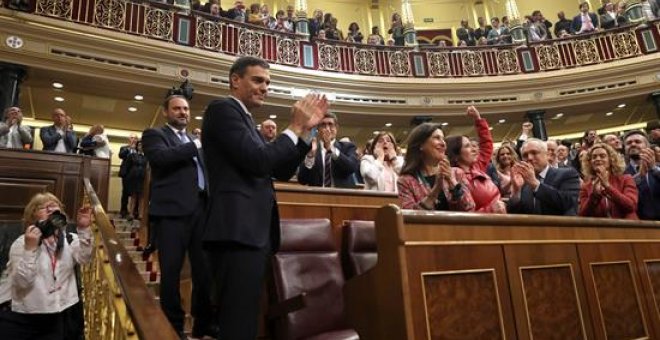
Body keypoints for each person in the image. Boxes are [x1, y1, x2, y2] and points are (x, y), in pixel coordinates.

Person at [201, 56, 328, 339]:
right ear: (235, 80)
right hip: (236, 231)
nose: (265, 87)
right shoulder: (222, 109)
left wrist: (305, 133)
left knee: (247, 319)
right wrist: (293, 127)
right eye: (258, 80)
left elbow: (279, 169)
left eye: (268, 82)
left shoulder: (248, 121)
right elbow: (258, 160)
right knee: (237, 322)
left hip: (251, 233)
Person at [141, 95, 214, 339]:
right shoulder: (155, 135)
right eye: (177, 109)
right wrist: (196, 145)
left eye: (185, 109)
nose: (183, 112)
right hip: (171, 214)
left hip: (201, 211)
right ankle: (174, 326)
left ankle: (203, 324)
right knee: (171, 274)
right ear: (165, 112)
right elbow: (161, 159)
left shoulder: (195, 140)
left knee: (204, 273)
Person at [0, 193, 92, 340]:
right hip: (22, 317)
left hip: (55, 318)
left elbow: (84, 258)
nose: (50, 209)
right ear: (33, 216)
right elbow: (22, 282)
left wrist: (83, 229)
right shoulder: (22, 243)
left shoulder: (69, 239)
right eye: (44, 207)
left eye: (54, 206)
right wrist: (30, 249)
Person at [397, 122, 475, 211]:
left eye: (443, 139)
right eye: (437, 138)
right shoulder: (406, 181)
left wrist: (452, 182)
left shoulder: (457, 173)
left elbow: (470, 208)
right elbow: (410, 218)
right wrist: (436, 190)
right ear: (421, 145)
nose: (443, 144)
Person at [445, 106, 506, 213]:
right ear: (456, 154)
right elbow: (464, 212)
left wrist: (478, 119)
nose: (474, 149)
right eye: (467, 146)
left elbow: (486, 145)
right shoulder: (453, 177)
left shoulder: (477, 166)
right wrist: (490, 210)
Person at [508, 138, 581, 215]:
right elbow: (514, 215)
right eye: (525, 155)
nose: (529, 158)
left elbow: (568, 204)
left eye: (534, 153)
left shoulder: (568, 174)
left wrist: (535, 184)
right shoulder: (523, 182)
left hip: (560, 226)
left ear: (547, 155)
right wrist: (516, 192)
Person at [298, 112, 359, 188]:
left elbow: (351, 168)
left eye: (330, 124)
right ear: (318, 129)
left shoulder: (348, 147)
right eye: (323, 125)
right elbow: (302, 180)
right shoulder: (310, 149)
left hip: (342, 197)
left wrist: (331, 149)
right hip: (317, 196)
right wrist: (310, 158)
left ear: (336, 128)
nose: (327, 128)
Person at [579, 143, 638, 219]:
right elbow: (582, 214)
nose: (598, 159)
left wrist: (608, 187)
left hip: (627, 227)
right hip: (600, 229)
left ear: (611, 160)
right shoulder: (586, 186)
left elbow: (631, 206)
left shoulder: (626, 179)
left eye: (602, 156)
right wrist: (594, 196)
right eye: (594, 157)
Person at [623, 130, 659, 220]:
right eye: (629, 143)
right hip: (641, 225)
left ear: (647, 146)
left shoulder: (657, 168)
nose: (633, 144)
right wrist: (640, 176)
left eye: (638, 142)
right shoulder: (621, 174)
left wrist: (653, 169)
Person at [124, 141, 147, 220]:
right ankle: (131, 214)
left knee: (142, 197)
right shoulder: (132, 156)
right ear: (137, 146)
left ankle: (141, 215)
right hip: (133, 178)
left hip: (143, 179)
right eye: (140, 145)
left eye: (142, 145)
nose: (141, 147)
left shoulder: (147, 157)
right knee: (133, 196)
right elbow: (127, 167)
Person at [118, 134, 138, 218]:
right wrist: (130, 148)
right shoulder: (124, 148)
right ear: (128, 139)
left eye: (135, 138)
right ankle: (123, 211)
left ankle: (135, 211)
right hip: (126, 174)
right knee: (125, 192)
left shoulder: (139, 149)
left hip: (137, 175)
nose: (133, 139)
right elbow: (121, 155)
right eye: (131, 137)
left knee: (136, 192)